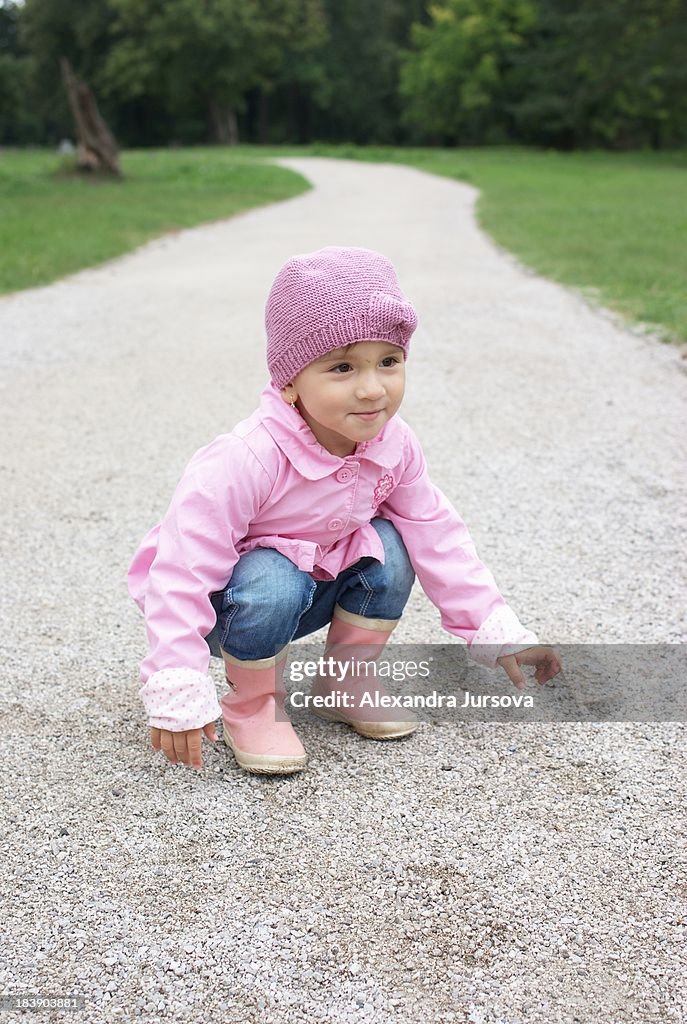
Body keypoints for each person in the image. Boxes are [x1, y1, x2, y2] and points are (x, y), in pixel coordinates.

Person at [128, 246, 561, 776]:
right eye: (341, 367)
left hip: (313, 585)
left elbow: (438, 532)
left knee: (395, 542)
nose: (372, 388)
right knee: (272, 575)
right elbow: (183, 569)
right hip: (235, 608)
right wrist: (177, 687)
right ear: (289, 382)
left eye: (389, 361)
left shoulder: (393, 444)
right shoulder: (245, 459)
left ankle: (346, 679)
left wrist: (495, 631)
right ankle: (254, 702)